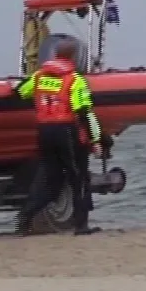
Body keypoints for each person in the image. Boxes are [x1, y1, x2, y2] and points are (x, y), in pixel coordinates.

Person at [13, 41, 103, 235]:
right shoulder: (74, 80)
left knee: (50, 179)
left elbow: (20, 91)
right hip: (67, 131)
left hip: (45, 131)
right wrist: (95, 140)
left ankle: (25, 217)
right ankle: (81, 225)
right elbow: (84, 112)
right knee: (78, 178)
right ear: (73, 57)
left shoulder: (38, 76)